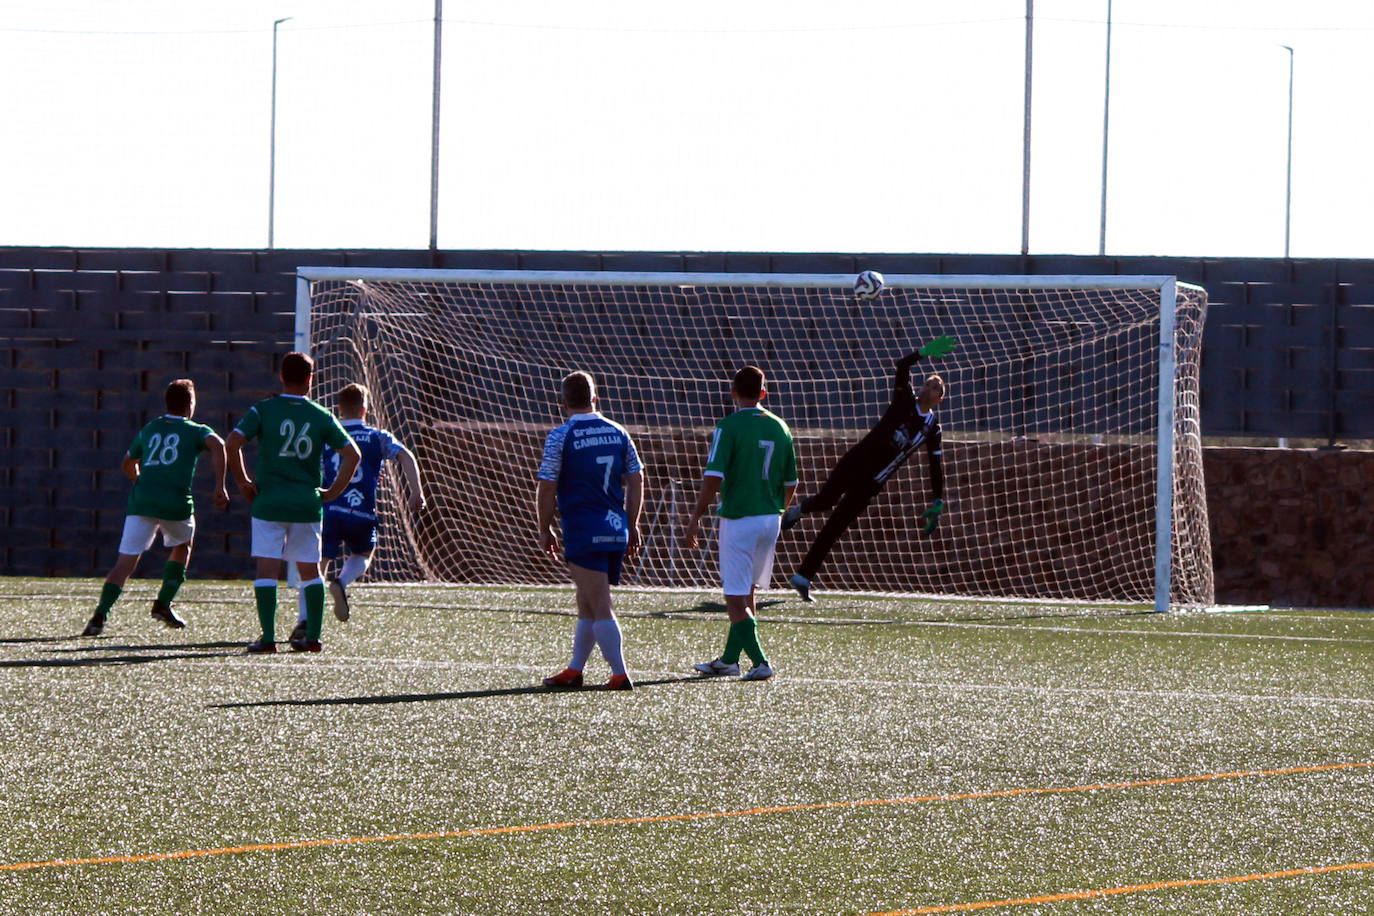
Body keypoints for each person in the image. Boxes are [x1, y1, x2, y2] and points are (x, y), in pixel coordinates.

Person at [782, 335, 956, 602]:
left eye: (935, 387)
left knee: (835, 527)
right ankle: (800, 509)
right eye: (928, 383)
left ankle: (803, 576)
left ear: (940, 399)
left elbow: (935, 465)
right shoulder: (904, 401)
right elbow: (902, 367)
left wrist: (937, 499)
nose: (928, 387)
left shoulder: (933, 428)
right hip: (856, 461)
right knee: (825, 502)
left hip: (874, 481)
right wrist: (922, 352)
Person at [225, 352, 361, 654]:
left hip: (269, 501)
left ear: (282, 377)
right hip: (306, 503)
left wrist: (244, 482)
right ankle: (312, 638)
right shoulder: (321, 415)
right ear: (310, 380)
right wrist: (334, 490)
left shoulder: (262, 410)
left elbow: (232, 443)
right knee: (310, 570)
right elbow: (353, 455)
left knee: (266, 568)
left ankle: (268, 638)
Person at [81, 379, 229, 636]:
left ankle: (99, 616)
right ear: (191, 404)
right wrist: (220, 486)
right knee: (183, 546)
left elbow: (128, 464)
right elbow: (218, 445)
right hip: (175, 503)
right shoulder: (196, 430)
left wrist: (144, 483)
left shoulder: (150, 429)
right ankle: (163, 602)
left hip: (142, 500)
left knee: (125, 562)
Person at [684, 365, 797, 682]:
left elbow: (713, 477)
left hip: (739, 520)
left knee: (734, 599)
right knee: (747, 594)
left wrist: (695, 517)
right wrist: (778, 512)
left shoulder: (728, 426)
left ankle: (760, 662)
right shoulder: (781, 427)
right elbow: (792, 482)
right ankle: (730, 660)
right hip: (769, 519)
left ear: (733, 392)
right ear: (763, 393)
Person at [289, 382, 425, 643]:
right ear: (364, 410)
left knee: (316, 566)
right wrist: (416, 492)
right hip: (362, 511)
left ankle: (305, 620)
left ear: (339, 409)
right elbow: (406, 456)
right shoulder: (377, 436)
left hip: (328, 508)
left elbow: (311, 468)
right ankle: (342, 581)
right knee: (363, 553)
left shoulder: (328, 434)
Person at [536, 371, 644, 691]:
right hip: (614, 527)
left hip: (584, 528)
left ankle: (620, 674)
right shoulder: (618, 431)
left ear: (563, 402)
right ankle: (574, 670)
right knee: (586, 601)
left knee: (599, 603)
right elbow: (636, 479)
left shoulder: (561, 436)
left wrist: (543, 528)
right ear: (596, 398)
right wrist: (633, 522)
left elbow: (547, 486)